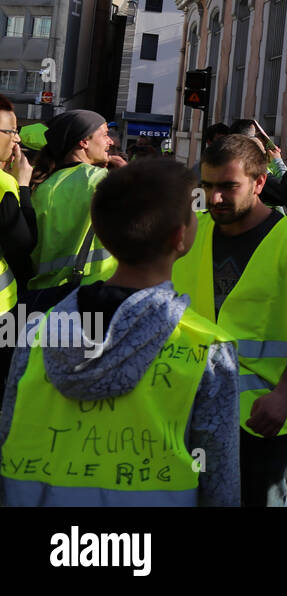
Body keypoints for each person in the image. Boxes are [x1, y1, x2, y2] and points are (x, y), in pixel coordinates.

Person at [0, 159, 241, 506]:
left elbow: (8, 431)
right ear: (180, 237)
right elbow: (219, 477)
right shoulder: (208, 347)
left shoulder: (37, 332)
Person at [173, 134, 287, 506]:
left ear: (259, 183)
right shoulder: (190, 233)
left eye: (228, 187)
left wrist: (284, 395)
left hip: (263, 416)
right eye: (208, 186)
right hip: (188, 407)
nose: (214, 198)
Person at [27, 110, 122, 310]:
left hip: (43, 299)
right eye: (104, 134)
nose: (110, 142)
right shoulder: (98, 180)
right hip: (89, 297)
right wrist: (127, 173)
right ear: (83, 142)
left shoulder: (43, 186)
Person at [0, 96, 36, 391]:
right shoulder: (3, 184)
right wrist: (22, 184)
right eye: (11, 131)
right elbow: (24, 245)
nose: (17, 138)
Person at [229, 118, 287, 207]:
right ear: (249, 142)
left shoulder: (233, 166)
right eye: (260, 136)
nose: (266, 141)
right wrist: (278, 162)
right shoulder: (252, 172)